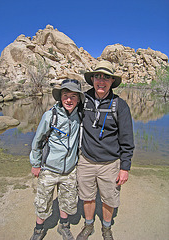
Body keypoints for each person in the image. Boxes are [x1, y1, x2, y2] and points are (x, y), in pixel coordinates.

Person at [76, 61, 135, 240]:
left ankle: (106, 228)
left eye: (106, 77)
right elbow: (66, 107)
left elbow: (127, 140)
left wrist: (124, 167)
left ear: (112, 81)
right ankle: (88, 225)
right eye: (98, 77)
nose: (101, 81)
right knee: (88, 197)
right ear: (92, 79)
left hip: (110, 163)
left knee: (109, 199)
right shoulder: (83, 100)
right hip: (86, 160)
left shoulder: (120, 105)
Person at [30, 79, 84, 240]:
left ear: (79, 99)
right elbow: (37, 141)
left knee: (67, 200)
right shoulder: (50, 116)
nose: (69, 100)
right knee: (43, 200)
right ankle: (39, 229)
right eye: (65, 95)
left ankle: (64, 226)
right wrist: (35, 164)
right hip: (49, 169)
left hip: (70, 170)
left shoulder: (80, 115)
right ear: (60, 97)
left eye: (73, 96)